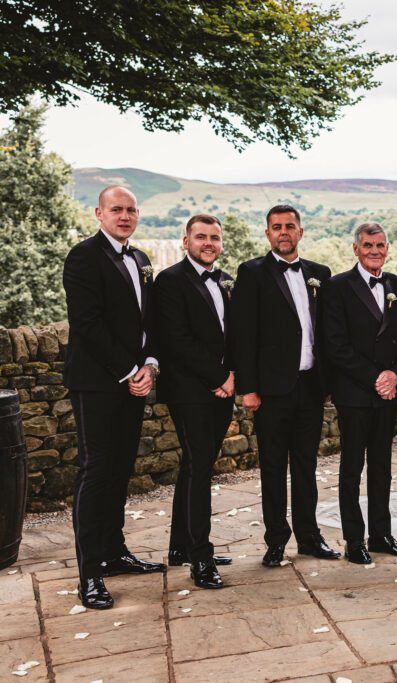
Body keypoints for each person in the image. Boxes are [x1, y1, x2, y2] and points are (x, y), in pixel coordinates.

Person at [62, 185, 165, 609]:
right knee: (95, 471)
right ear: (99, 213)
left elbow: (150, 321)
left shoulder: (140, 259)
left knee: (122, 469)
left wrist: (151, 365)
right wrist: (127, 372)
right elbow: (88, 324)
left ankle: (115, 551)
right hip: (98, 383)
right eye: (116, 209)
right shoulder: (83, 256)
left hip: (134, 381)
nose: (124, 216)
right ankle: (89, 575)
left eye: (130, 210)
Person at [231, 204, 339, 567]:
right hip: (272, 390)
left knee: (307, 467)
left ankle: (310, 538)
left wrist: (328, 383)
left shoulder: (319, 274)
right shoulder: (251, 273)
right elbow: (243, 334)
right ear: (267, 234)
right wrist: (248, 387)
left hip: (310, 386)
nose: (283, 232)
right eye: (276, 227)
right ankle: (276, 539)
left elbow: (326, 332)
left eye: (289, 226)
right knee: (274, 468)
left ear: (300, 232)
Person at [321, 222, 397, 564]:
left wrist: (394, 375)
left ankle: (381, 535)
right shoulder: (337, 286)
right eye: (368, 245)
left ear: (387, 248)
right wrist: (375, 377)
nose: (375, 251)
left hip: (388, 394)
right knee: (352, 467)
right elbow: (335, 345)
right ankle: (354, 540)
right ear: (356, 249)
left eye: (380, 245)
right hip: (354, 392)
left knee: (383, 467)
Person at [153, 214, 235, 589]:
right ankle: (201, 558)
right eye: (201, 237)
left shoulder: (225, 279)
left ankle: (180, 546)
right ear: (186, 241)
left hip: (221, 390)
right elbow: (176, 340)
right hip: (188, 390)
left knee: (194, 465)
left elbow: (233, 336)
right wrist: (219, 378)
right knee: (201, 469)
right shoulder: (169, 281)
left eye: (214, 238)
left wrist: (231, 377)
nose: (208, 243)